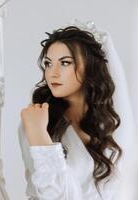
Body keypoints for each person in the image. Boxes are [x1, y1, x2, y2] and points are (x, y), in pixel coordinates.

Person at [19, 20, 134, 200]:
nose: (52, 73)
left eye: (65, 63)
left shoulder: (106, 121)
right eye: (48, 63)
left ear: (90, 67)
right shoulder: (37, 120)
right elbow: (51, 194)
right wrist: (39, 135)